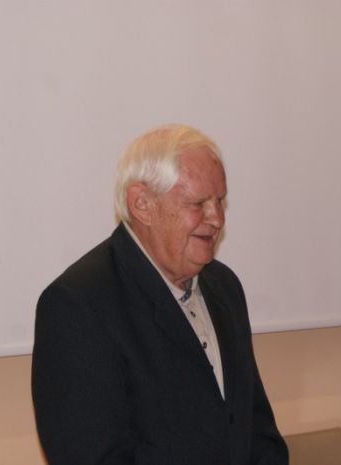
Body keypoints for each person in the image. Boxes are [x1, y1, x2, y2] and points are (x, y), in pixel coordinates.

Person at [31, 124, 288, 464]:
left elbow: (256, 430)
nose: (217, 218)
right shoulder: (78, 305)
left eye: (219, 200)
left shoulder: (225, 286)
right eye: (198, 203)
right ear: (142, 204)